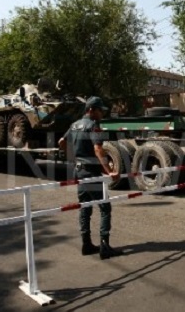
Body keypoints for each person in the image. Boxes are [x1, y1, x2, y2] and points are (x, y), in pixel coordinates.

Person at [59, 96, 121, 260]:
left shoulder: (74, 125)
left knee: (85, 208)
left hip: (79, 172)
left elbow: (61, 142)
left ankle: (86, 244)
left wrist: (71, 158)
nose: (102, 113)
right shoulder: (93, 126)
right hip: (91, 173)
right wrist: (109, 171)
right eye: (100, 110)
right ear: (91, 110)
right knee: (105, 208)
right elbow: (98, 150)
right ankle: (105, 246)